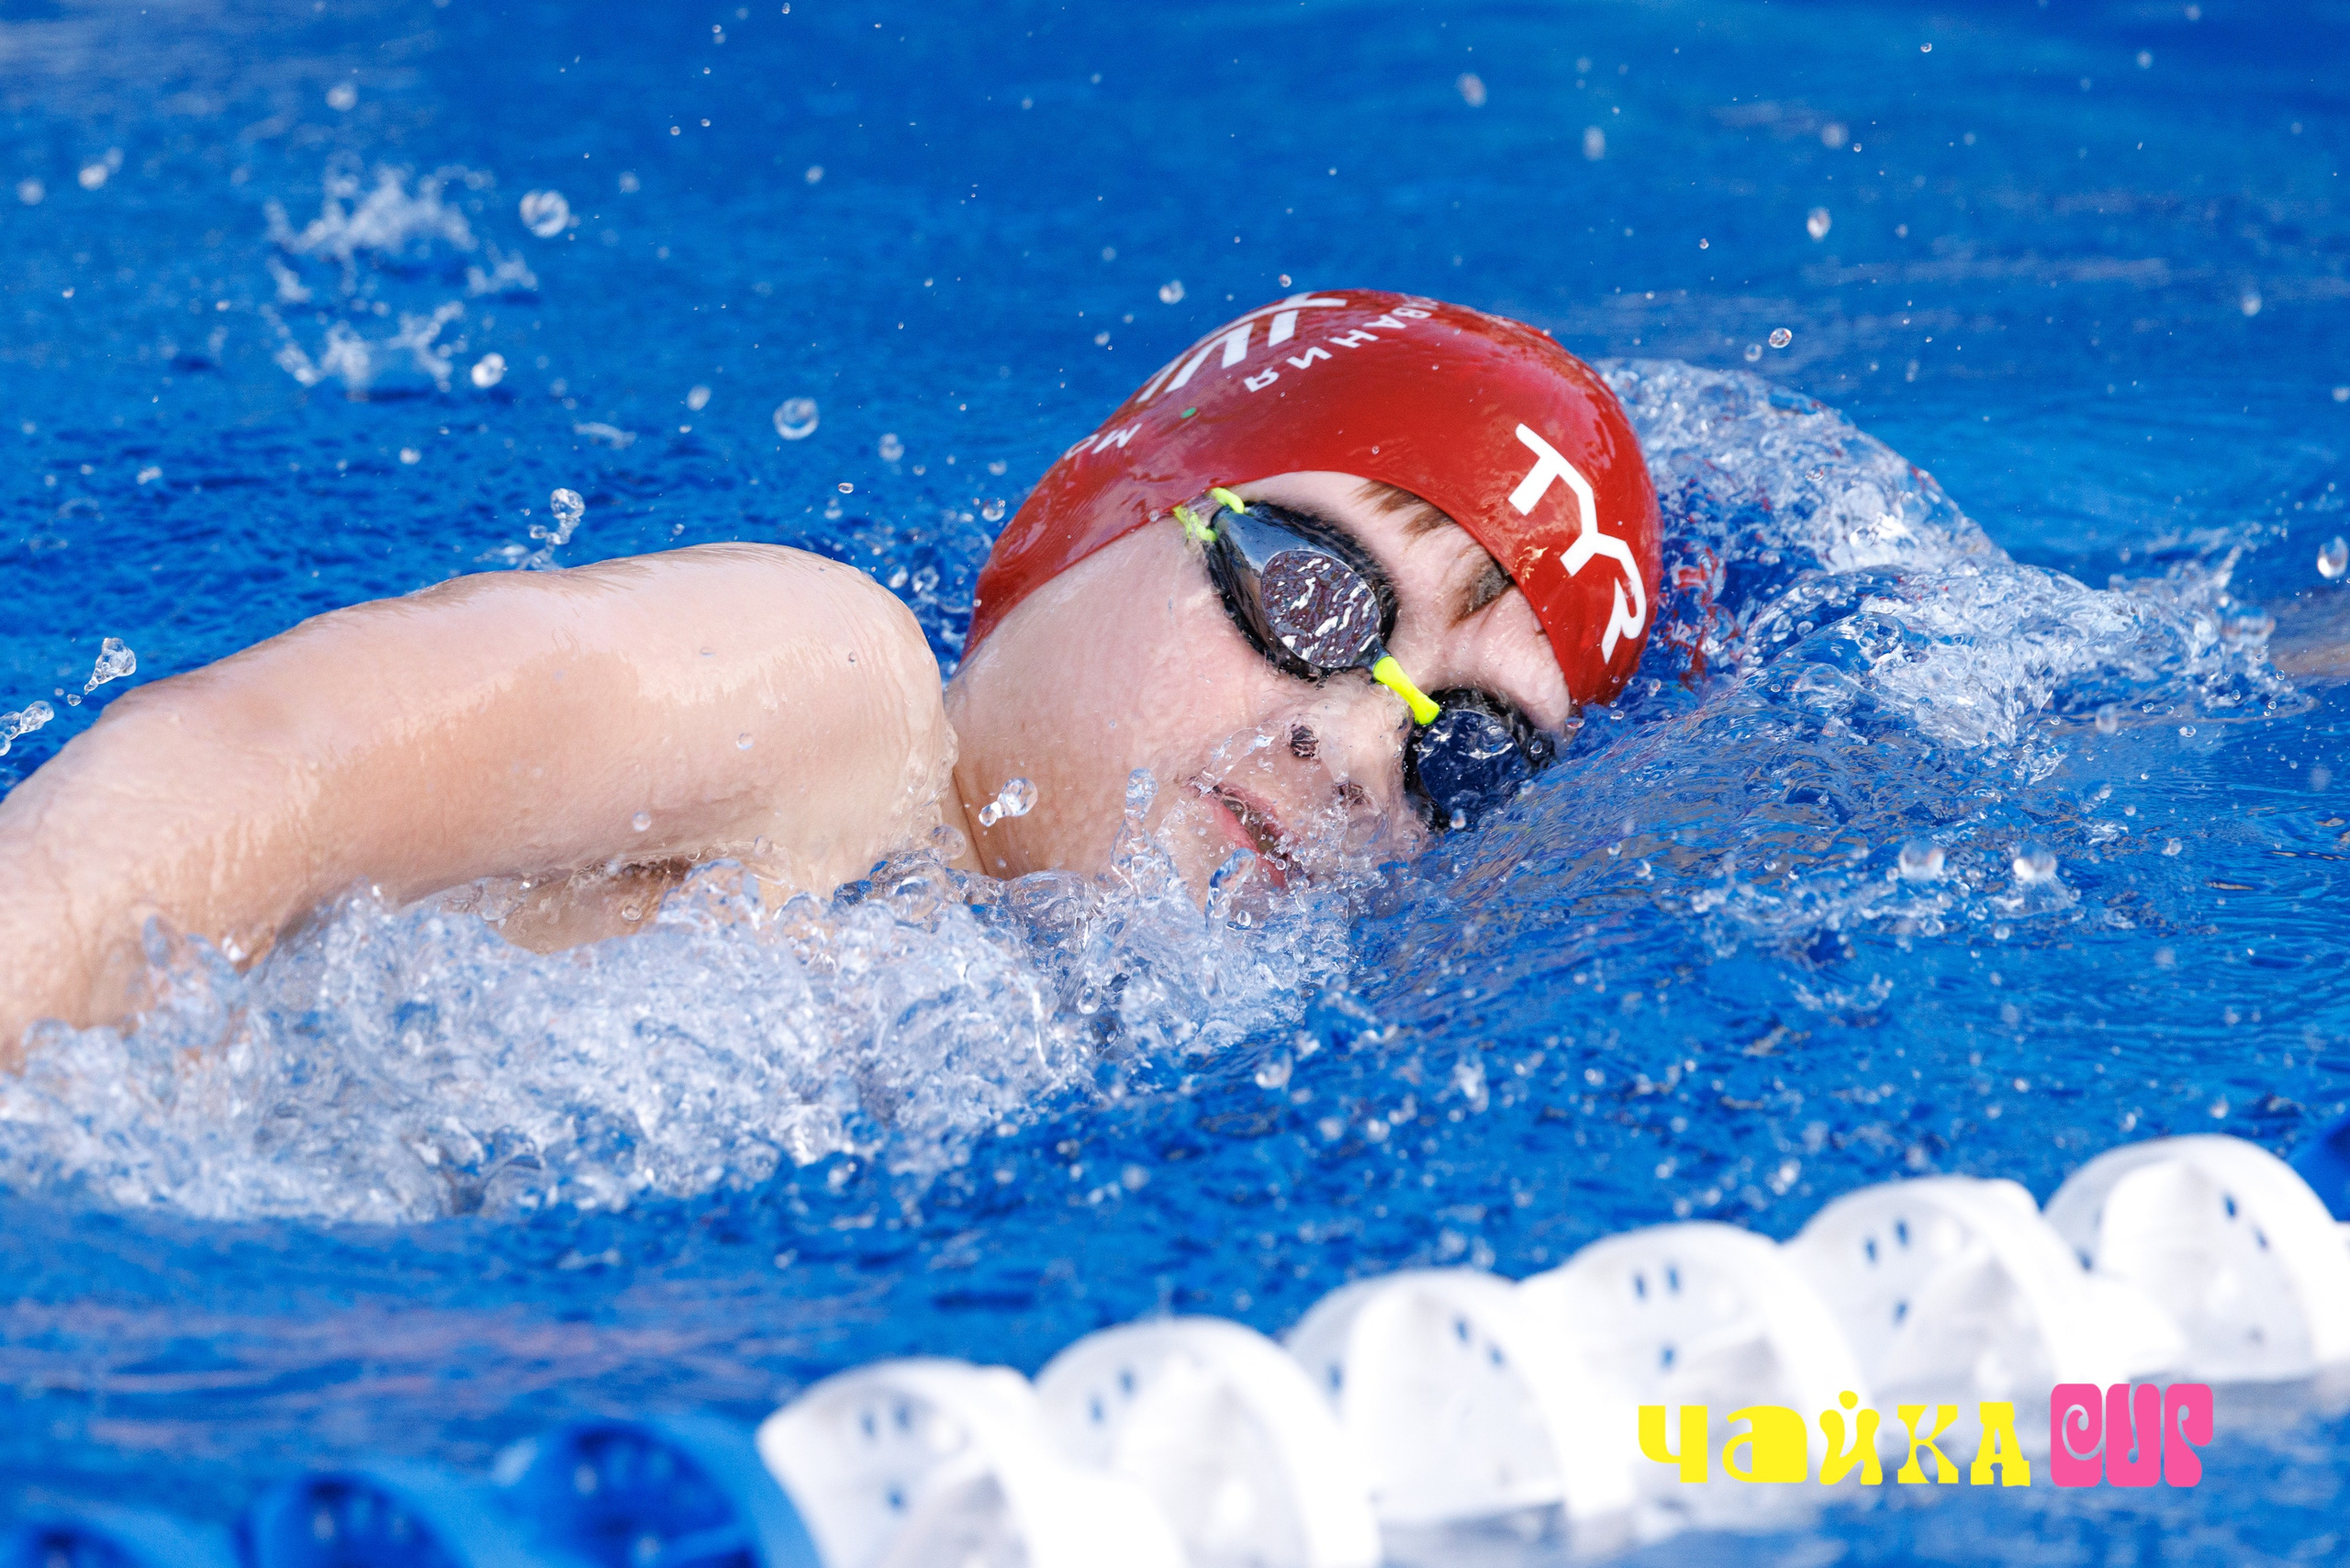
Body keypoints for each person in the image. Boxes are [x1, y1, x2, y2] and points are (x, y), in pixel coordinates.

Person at [0, 291, 1662, 1062]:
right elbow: (265, 766)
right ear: (1081, 522)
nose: (1363, 742)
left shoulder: (1086, 1039)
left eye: (1477, 756)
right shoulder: (827, 702)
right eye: (1315, 592)